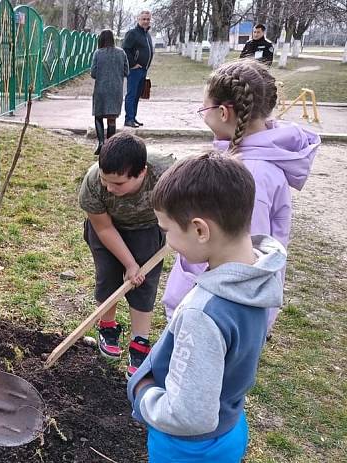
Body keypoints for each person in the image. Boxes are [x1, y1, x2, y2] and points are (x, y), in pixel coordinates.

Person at [128, 152, 287, 463]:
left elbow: (188, 417)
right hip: (229, 429)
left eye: (167, 230)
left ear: (200, 230)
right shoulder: (258, 276)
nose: (168, 240)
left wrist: (144, 394)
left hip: (188, 449)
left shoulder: (204, 314)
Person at [162, 59, 319, 335]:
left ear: (223, 112)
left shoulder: (253, 174)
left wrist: (203, 313)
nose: (204, 115)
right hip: (207, 307)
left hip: (215, 317)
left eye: (204, 109)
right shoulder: (246, 160)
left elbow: (243, 260)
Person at [78, 132, 173, 377]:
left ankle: (139, 343)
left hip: (146, 228)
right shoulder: (92, 183)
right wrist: (129, 264)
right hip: (107, 229)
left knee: (144, 285)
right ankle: (107, 327)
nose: (109, 187)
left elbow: (185, 206)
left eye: (118, 183)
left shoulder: (165, 174)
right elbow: (103, 227)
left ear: (141, 173)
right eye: (105, 180)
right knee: (108, 277)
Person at [91, 29, 129, 156]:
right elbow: (126, 71)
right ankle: (110, 146)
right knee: (111, 118)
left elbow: (93, 73)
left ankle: (101, 142)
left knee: (98, 115)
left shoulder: (98, 53)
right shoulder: (121, 52)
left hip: (101, 89)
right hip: (116, 90)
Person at [121, 10, 153, 128]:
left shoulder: (147, 34)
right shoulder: (132, 33)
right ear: (138, 20)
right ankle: (128, 119)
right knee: (131, 94)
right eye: (143, 19)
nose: (146, 21)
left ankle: (133, 117)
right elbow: (125, 49)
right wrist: (133, 64)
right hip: (134, 70)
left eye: (148, 19)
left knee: (137, 95)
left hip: (143, 70)